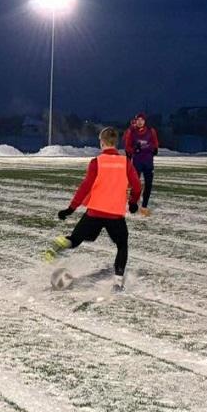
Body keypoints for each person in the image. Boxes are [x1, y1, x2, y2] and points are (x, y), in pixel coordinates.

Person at [43, 126, 141, 291]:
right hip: (115, 215)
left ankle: (62, 243)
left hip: (94, 212)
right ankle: (118, 283)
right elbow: (137, 186)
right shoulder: (125, 162)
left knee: (76, 239)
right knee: (122, 245)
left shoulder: (97, 162)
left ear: (101, 143)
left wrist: (71, 209)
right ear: (115, 143)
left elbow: (85, 187)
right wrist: (133, 202)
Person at [123, 113, 159, 216]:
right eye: (138, 120)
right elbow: (127, 147)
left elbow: (155, 143)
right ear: (135, 121)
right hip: (137, 162)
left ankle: (144, 206)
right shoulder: (131, 131)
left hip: (148, 162)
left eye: (142, 120)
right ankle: (132, 204)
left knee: (148, 184)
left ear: (145, 121)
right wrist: (134, 149)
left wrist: (154, 149)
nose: (140, 122)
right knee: (135, 185)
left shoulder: (151, 131)